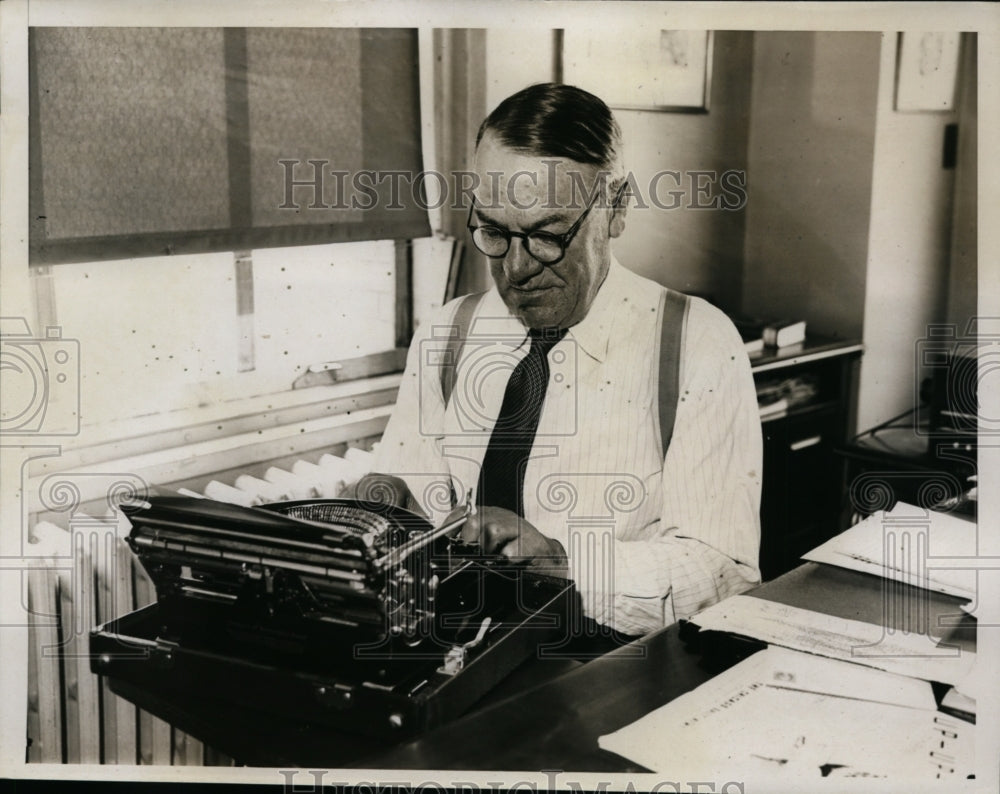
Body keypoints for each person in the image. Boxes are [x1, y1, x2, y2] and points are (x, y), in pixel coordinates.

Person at [364, 83, 761, 637]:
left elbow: (724, 572)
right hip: (458, 661)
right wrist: (394, 517)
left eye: (548, 236)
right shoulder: (448, 332)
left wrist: (562, 559)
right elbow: (424, 514)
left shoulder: (697, 344)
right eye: (495, 232)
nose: (517, 268)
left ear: (616, 208)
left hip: (611, 670)